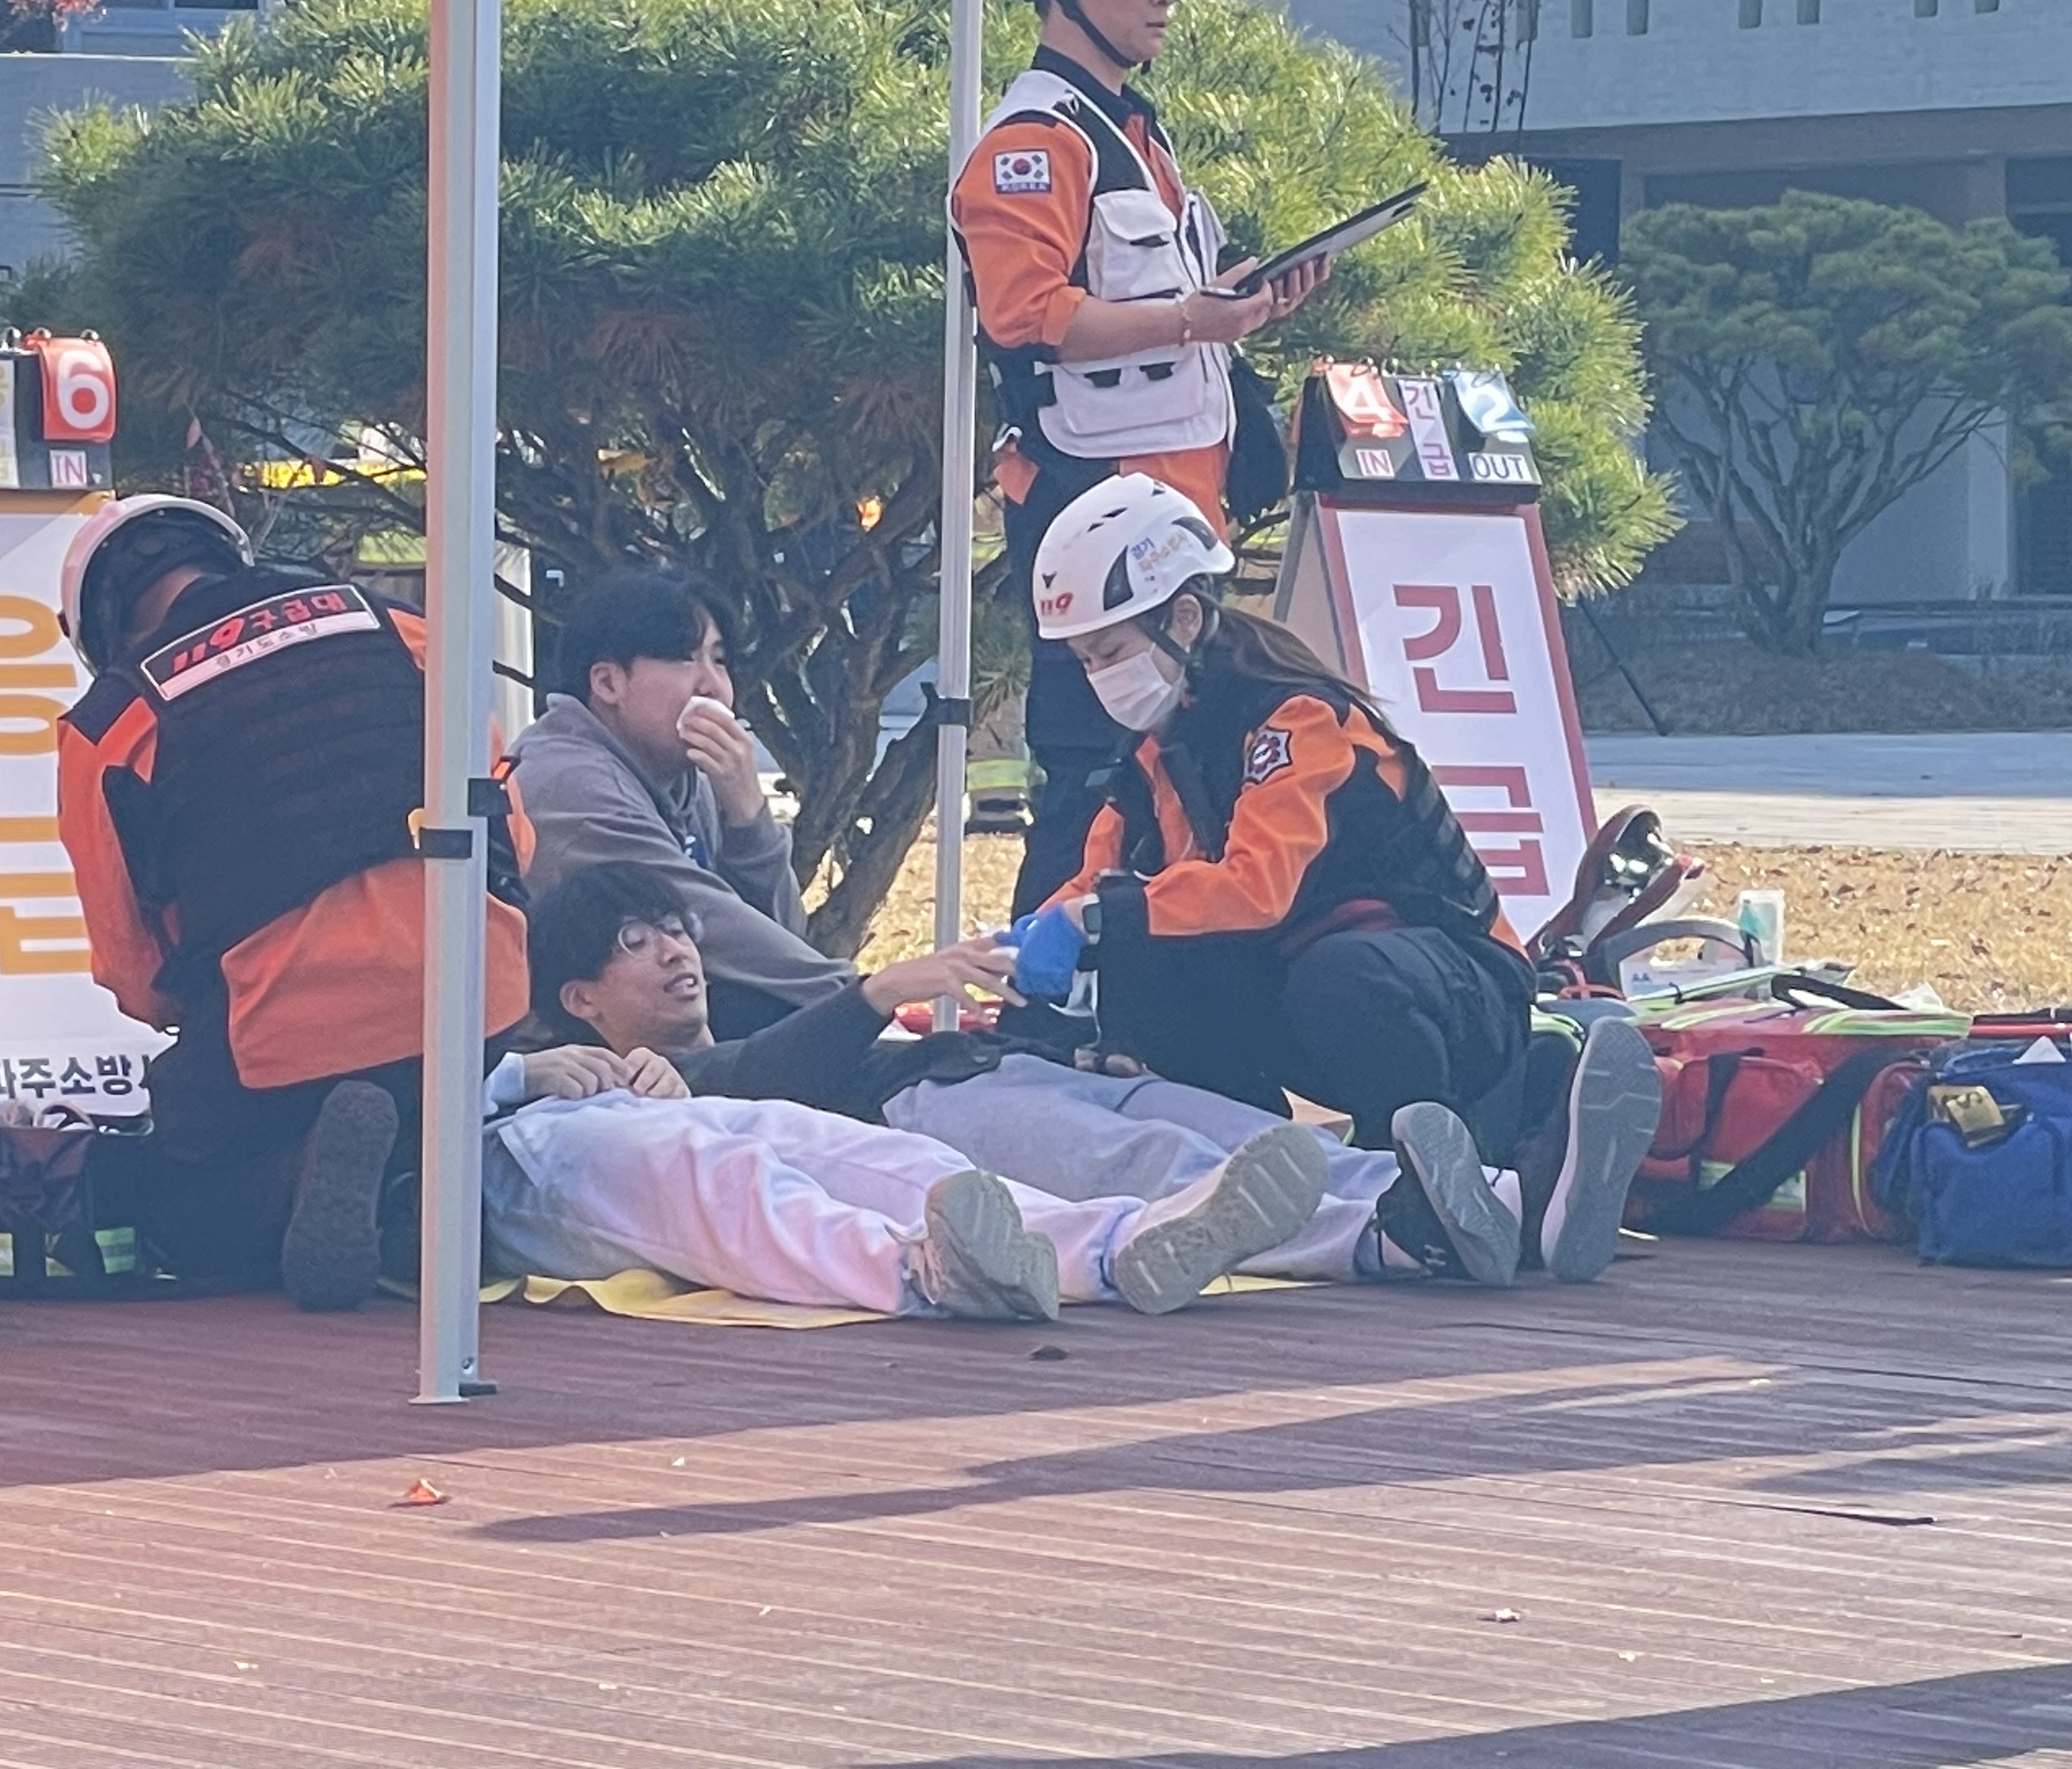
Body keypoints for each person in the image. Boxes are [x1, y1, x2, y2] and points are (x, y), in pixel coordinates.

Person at [1006, 477, 1654, 1257]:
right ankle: (1250, 1172)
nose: (1098, 677)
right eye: (1084, 660)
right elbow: (1102, 878)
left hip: (1452, 989)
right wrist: (1025, 941)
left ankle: (1451, 1167)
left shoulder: (1298, 719)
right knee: (1145, 957)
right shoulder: (1156, 753)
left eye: (1110, 652)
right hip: (1324, 997)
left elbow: (1258, 887)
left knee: (1337, 973)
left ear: (1183, 618)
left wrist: (1094, 917)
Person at [528, 860, 1655, 1287]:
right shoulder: (630, 1089)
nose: (673, 950)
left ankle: (1510, 1205)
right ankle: (1396, 1240)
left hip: (993, 1070)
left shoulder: (748, 1006)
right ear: (580, 997)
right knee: (1167, 1161)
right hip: (933, 1111)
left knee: (1216, 1126)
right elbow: (764, 1085)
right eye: (634, 942)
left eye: (674, 927)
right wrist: (873, 993)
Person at [950, 0, 1325, 914]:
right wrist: (1194, 318)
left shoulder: (1134, 133)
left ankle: (1131, 978)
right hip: (1091, 506)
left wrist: (1245, 305)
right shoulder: (1035, 141)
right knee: (1090, 777)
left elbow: (1161, 312)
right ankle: (1032, 985)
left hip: (1170, 517)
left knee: (1173, 779)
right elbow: (1026, 316)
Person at [52, 496, 532, 1306]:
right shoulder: (402, 628)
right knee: (400, 1094)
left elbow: (134, 969)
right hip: (478, 995)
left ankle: (303, 1180)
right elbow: (511, 830)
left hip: (284, 1036)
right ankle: (408, 1197)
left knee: (175, 1191)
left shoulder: (112, 722)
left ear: (102, 624)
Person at [479, 1010, 1326, 1324]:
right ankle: (920, 1271)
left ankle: (1115, 1245)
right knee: (716, 1179)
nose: (674, 951)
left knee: (864, 1152)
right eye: (640, 939)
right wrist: (515, 1072)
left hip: (592, 1099)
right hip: (492, 1144)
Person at [509, 567, 849, 1035]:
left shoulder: (688, 773)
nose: (712, 686)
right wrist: (863, 999)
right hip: (560, 1055)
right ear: (608, 683)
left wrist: (749, 816)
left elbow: (780, 936)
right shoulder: (569, 784)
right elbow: (706, 926)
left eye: (720, 660)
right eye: (685, 659)